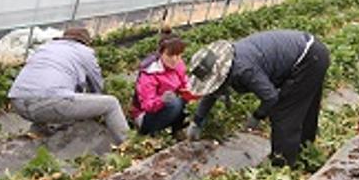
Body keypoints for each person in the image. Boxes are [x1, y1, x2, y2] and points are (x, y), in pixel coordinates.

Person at [186, 30, 330, 168]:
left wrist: (257, 116)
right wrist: (198, 120)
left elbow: (271, 97)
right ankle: (304, 152)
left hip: (309, 59)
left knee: (283, 113)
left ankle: (283, 166)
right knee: (303, 108)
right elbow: (213, 93)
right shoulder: (230, 62)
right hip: (311, 52)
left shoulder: (243, 69)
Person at [8, 27, 129, 145]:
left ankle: (39, 134)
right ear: (85, 42)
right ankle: (128, 144)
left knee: (53, 92)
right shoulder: (84, 51)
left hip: (17, 102)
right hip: (48, 103)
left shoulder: (45, 47)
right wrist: (93, 109)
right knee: (111, 103)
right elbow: (97, 86)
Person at [131, 29, 196, 137]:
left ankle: (178, 130)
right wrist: (162, 100)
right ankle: (152, 132)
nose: (175, 59)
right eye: (170, 56)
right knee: (175, 104)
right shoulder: (150, 73)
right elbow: (147, 105)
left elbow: (184, 82)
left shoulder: (178, 64)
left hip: (168, 109)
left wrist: (190, 92)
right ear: (161, 53)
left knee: (193, 100)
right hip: (146, 117)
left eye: (179, 55)